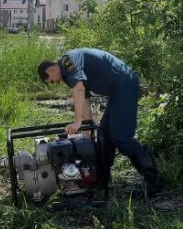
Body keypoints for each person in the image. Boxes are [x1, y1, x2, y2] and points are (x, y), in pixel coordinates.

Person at [37, 48, 163, 196]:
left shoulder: (67, 61)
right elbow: (84, 98)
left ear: (51, 69)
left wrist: (77, 121)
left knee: (121, 137)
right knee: (104, 133)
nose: (55, 82)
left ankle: (154, 182)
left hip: (125, 85)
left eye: (52, 80)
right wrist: (87, 127)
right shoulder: (67, 72)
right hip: (117, 90)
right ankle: (101, 179)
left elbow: (79, 89)